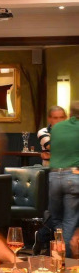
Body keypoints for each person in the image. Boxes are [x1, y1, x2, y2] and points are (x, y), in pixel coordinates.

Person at [46, 101, 79, 256]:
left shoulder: (57, 128)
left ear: (70, 114)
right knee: (70, 221)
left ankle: (58, 253)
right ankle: (66, 260)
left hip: (54, 176)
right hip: (73, 176)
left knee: (56, 219)